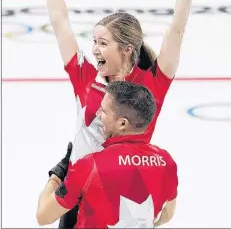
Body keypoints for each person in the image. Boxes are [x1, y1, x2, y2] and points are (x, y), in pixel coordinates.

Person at [41, 0, 204, 227]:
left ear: (127, 49)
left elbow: (176, 30)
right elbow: (59, 20)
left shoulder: (152, 83)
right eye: (93, 41)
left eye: (102, 43)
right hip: (79, 193)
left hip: (124, 195)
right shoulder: (86, 78)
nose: (93, 50)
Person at [37, 82, 178, 228]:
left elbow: (43, 215)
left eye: (103, 111)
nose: (98, 114)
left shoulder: (90, 166)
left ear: (122, 123)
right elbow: (167, 214)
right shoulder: (167, 162)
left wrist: (58, 174)